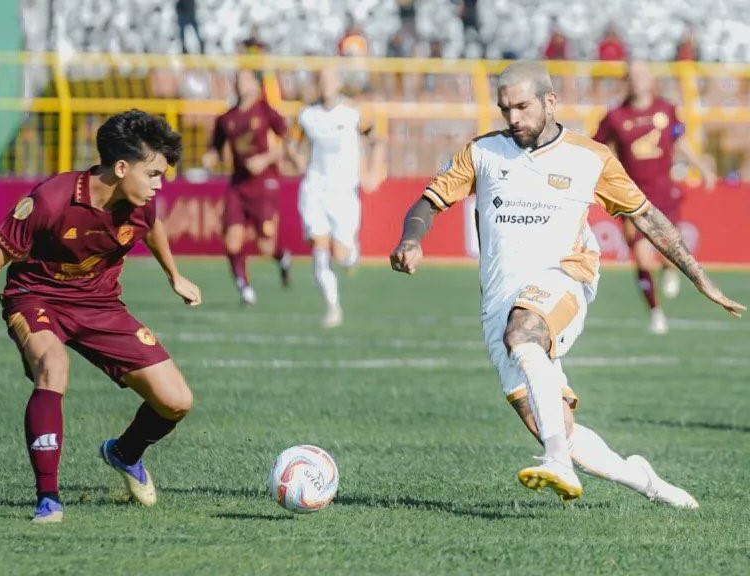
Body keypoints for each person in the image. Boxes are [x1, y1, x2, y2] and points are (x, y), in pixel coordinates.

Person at [390, 61, 744, 507]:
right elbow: (428, 201)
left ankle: (555, 461)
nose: (513, 118)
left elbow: (649, 218)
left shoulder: (590, 157)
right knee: (556, 423)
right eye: (505, 109)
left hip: (568, 276)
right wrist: (411, 239)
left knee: (525, 332)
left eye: (522, 106)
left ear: (550, 101)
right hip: (499, 300)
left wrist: (701, 281)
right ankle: (646, 481)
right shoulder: (481, 153)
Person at [0, 110, 202, 524]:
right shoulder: (51, 199)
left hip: (100, 305)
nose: (158, 184)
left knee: (176, 401)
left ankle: (124, 454)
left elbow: (153, 227)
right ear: (122, 167)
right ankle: (48, 498)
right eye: (153, 174)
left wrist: (175, 276)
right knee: (53, 366)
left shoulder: (140, 204)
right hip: (35, 298)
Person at [593, 60, 717, 334]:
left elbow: (679, 142)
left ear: (650, 79)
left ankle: (671, 269)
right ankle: (655, 312)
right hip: (632, 196)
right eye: (633, 75)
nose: (638, 80)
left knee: (669, 251)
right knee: (641, 257)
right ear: (627, 80)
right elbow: (598, 148)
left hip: (664, 193)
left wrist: (701, 167)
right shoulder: (615, 116)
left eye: (642, 74)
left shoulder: (667, 110)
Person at [287, 68, 385, 328]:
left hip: (343, 192)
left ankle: (352, 254)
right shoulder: (307, 114)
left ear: (339, 82)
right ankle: (332, 308)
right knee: (319, 250)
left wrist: (374, 171)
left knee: (341, 256)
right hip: (315, 188)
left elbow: (376, 140)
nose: (326, 85)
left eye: (330, 79)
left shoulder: (355, 112)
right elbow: (291, 143)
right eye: (322, 80)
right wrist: (298, 161)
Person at [202, 69, 292, 305]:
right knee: (232, 240)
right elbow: (215, 148)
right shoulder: (226, 118)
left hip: (265, 183)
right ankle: (244, 288)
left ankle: (282, 256)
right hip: (238, 184)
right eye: (237, 79)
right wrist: (210, 157)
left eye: (245, 79)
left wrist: (265, 159)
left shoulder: (265, 110)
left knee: (265, 245)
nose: (240, 84)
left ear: (255, 84)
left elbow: (287, 144)